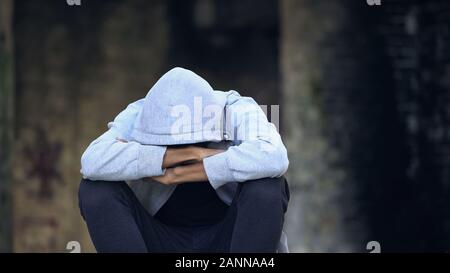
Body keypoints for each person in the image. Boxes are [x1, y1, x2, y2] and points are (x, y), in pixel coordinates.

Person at [78, 67, 290, 253]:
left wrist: (182, 173)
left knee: (267, 186)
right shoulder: (139, 113)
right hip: (158, 240)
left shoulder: (235, 108)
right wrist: (186, 154)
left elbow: (274, 156)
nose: (180, 143)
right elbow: (92, 161)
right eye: (170, 142)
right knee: (95, 190)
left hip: (231, 240)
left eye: (192, 140)